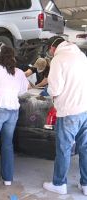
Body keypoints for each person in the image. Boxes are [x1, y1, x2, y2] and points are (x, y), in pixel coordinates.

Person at [43, 36, 87, 196]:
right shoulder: (82, 56)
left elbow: (54, 89)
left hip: (69, 112)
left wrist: (51, 93)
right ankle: (86, 184)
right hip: (85, 109)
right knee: (85, 148)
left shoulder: (59, 59)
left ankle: (59, 183)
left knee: (64, 149)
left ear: (53, 48)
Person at [0, 46, 29, 189]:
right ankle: (7, 178)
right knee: (8, 144)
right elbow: (23, 90)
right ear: (13, 57)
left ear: (0, 56)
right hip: (13, 111)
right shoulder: (19, 72)